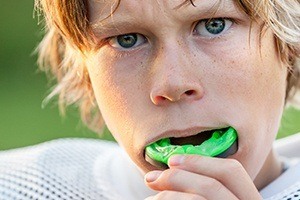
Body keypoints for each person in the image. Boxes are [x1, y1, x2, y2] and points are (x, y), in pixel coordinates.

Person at [0, 0, 300, 199]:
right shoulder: (22, 186)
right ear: (84, 71)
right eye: (127, 39)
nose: (172, 84)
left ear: (288, 44)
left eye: (214, 25)